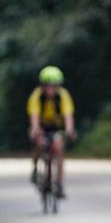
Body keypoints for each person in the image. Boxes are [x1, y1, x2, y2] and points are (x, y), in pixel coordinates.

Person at [26, 66, 76, 197]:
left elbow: (68, 116)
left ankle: (59, 183)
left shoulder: (63, 96)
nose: (50, 90)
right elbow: (34, 117)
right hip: (42, 126)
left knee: (59, 148)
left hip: (57, 127)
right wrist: (35, 130)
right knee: (40, 143)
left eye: (54, 86)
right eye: (47, 86)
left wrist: (70, 130)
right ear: (42, 86)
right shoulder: (36, 96)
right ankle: (35, 168)